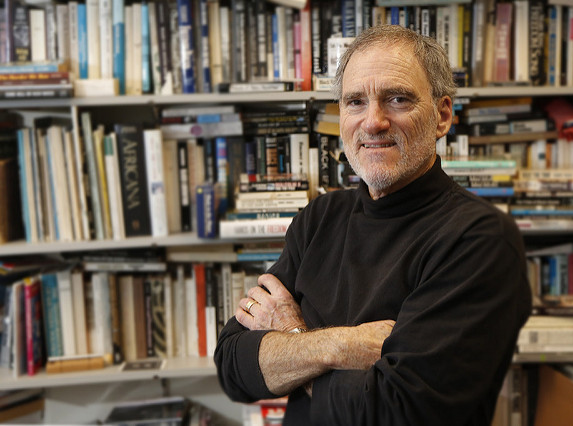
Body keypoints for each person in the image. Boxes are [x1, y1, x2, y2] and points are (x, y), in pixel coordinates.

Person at [214, 25, 532, 426]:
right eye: (355, 102)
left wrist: (288, 343)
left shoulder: (480, 240)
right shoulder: (318, 218)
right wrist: (343, 345)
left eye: (397, 99)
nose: (373, 122)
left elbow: (394, 411)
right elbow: (232, 365)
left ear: (442, 116)